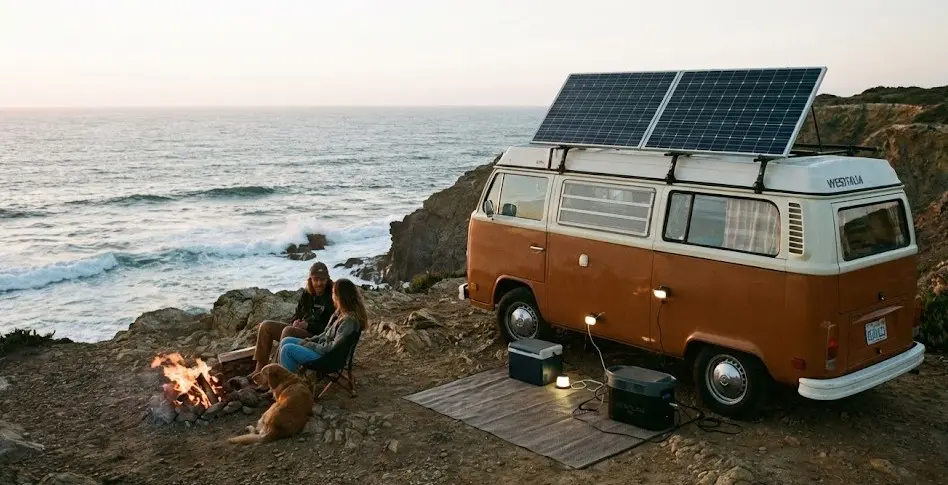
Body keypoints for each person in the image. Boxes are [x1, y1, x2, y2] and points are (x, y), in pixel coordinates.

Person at [252, 261, 336, 374]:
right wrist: (296, 321)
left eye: (323, 279)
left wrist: (307, 326)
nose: (319, 283)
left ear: (328, 279)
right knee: (266, 326)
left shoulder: (333, 297)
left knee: (288, 331)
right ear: (310, 279)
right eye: (316, 279)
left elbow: (330, 330)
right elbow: (297, 314)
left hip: (316, 337)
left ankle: (275, 372)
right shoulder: (307, 293)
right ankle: (259, 370)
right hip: (299, 330)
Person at [278, 278, 368, 373]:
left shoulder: (349, 321)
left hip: (327, 358)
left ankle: (287, 380)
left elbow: (332, 347)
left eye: (333, 293)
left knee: (287, 349)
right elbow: (325, 334)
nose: (332, 295)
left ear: (340, 296)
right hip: (322, 349)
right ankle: (284, 374)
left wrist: (310, 345)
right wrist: (309, 340)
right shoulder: (339, 313)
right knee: (286, 341)